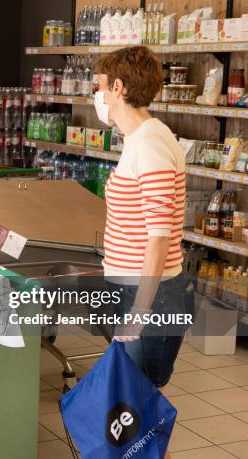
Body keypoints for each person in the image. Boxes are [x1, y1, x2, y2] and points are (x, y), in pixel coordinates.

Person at [93, 46, 189, 433]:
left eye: (99, 86)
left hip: (149, 297)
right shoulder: (141, 138)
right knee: (135, 415)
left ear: (118, 87)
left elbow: (158, 239)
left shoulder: (150, 145)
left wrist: (138, 313)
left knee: (138, 417)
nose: (96, 95)